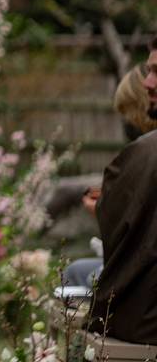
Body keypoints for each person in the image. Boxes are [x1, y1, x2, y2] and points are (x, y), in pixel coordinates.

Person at [62, 61, 157, 289]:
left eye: (129, 112)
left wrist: (104, 211)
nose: (128, 121)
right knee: (75, 271)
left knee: (86, 277)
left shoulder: (147, 152)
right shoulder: (143, 151)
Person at [89, 36, 157, 343]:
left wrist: (103, 205)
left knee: (79, 273)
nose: (148, 83)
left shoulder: (143, 155)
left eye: (156, 71)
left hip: (141, 324)